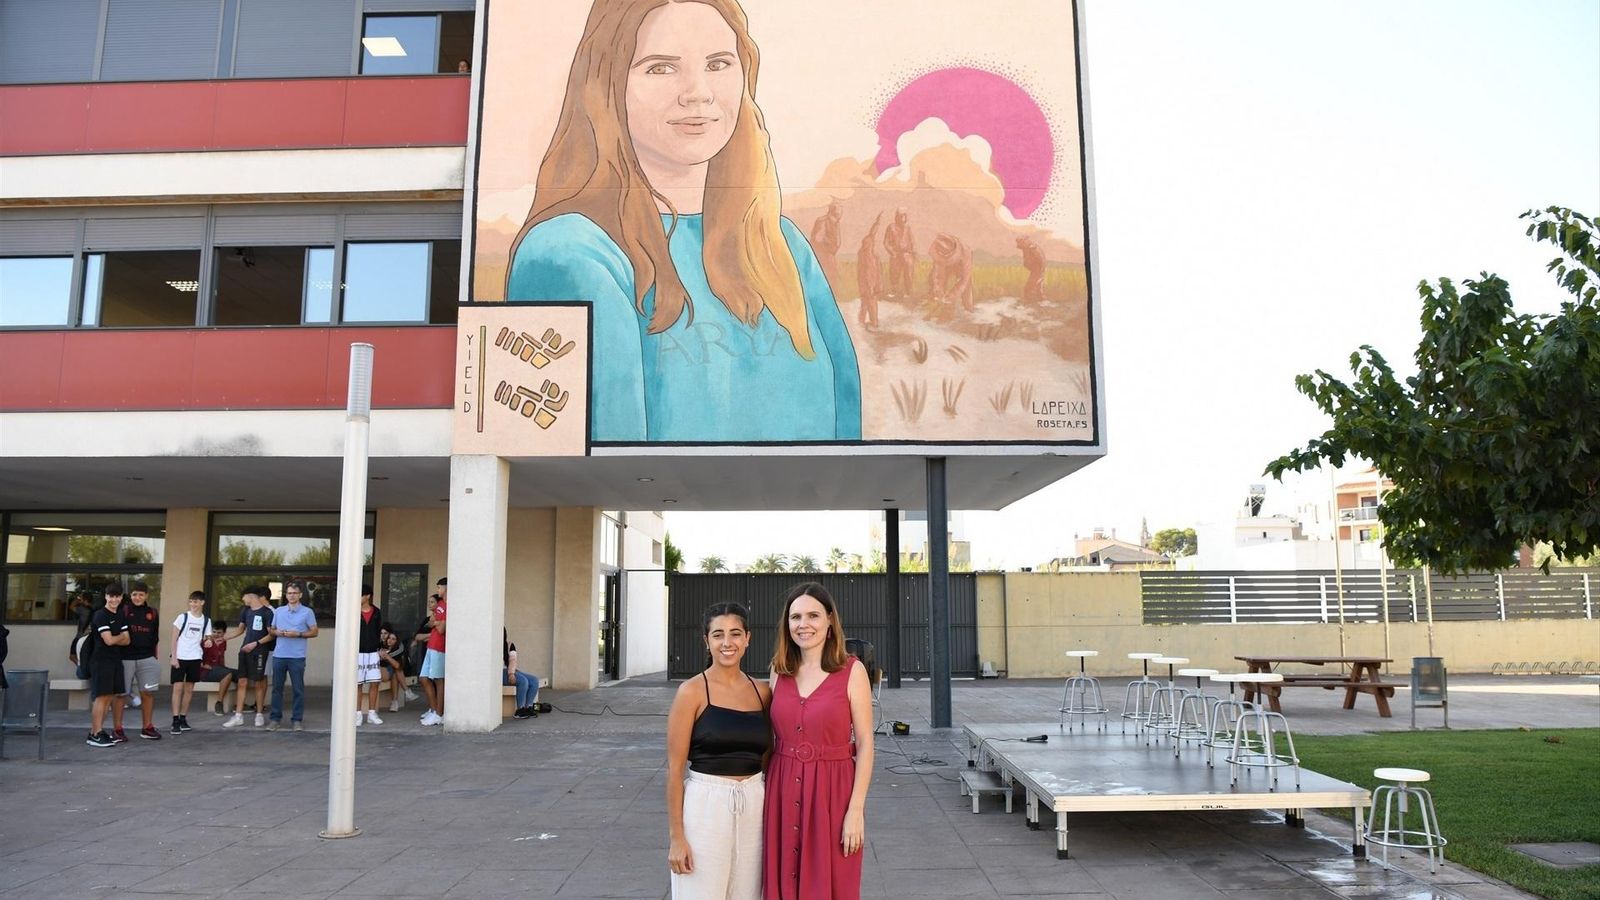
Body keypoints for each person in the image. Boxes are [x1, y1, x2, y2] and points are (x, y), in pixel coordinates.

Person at [505, 0, 861, 443]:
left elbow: (848, 423)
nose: (698, 92)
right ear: (608, 84)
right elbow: (607, 465)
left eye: (718, 63)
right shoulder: (568, 253)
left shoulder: (781, 241)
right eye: (660, 68)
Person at [763, 582, 874, 900]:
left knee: (835, 881)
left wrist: (856, 810)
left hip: (832, 794)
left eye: (813, 615)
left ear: (829, 621)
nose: (803, 624)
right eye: (795, 617)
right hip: (782, 789)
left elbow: (866, 743)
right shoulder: (778, 670)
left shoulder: (852, 672)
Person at [666, 602, 770, 899]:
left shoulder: (763, 692)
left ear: (748, 638)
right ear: (706, 641)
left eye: (736, 634)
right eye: (718, 634)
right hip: (705, 806)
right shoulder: (692, 691)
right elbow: (674, 770)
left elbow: (768, 755)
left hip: (754, 804)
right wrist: (677, 838)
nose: (727, 643)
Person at [267, 581, 318, 732]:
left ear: (300, 595)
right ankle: (275, 719)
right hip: (279, 655)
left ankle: (297, 720)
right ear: (286, 595)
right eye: (289, 593)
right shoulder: (279, 611)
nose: (292, 596)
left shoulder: (307, 612)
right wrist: (278, 633)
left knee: (298, 689)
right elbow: (271, 630)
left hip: (297, 656)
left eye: (295, 593)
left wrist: (299, 634)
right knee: (277, 688)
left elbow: (315, 631)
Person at [84, 583, 130, 747]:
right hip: (101, 661)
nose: (114, 599)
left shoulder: (120, 615)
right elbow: (109, 640)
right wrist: (119, 638)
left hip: (115, 660)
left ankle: (99, 731)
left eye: (117, 596)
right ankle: (94, 733)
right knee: (101, 697)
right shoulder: (100, 615)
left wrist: (116, 638)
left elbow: (128, 639)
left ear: (121, 597)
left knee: (109, 696)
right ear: (106, 596)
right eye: (111, 596)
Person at [222, 587, 274, 728]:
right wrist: (224, 637)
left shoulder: (267, 612)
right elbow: (240, 629)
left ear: (251, 596)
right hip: (245, 650)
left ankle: (259, 714)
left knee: (258, 682)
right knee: (242, 682)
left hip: (260, 651)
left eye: (244, 596)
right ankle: (238, 716)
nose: (243, 599)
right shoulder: (246, 611)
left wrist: (255, 643)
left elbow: (271, 634)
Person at [120, 580, 163, 740]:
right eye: (134, 594)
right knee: (121, 695)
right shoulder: (123, 611)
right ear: (130, 596)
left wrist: (154, 657)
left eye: (141, 594)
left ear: (146, 596)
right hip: (125, 658)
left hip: (146, 658)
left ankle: (147, 727)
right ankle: (118, 729)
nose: (137, 597)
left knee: (147, 693)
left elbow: (155, 637)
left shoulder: (153, 612)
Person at [167, 591, 212, 735]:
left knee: (189, 689)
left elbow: (207, 637)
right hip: (180, 656)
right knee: (177, 688)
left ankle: (183, 717)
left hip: (195, 657)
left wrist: (209, 641)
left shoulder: (206, 620)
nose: (193, 604)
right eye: (191, 601)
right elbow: (174, 638)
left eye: (196, 601)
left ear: (202, 603)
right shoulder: (183, 617)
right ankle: (175, 719)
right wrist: (173, 657)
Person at [419, 577, 447, 726]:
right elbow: (431, 623)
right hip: (431, 645)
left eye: (439, 588)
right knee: (423, 678)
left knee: (439, 680)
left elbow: (441, 629)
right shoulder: (440, 604)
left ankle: (438, 714)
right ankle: (433, 710)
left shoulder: (448, 605)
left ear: (446, 588)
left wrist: (436, 622)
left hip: (440, 647)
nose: (438, 590)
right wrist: (436, 622)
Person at [355, 584, 384, 726]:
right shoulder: (353, 611)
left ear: (367, 596)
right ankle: (357, 714)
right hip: (358, 651)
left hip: (373, 651)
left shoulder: (377, 612)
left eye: (361, 594)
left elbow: (379, 631)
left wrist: (380, 647)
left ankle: (372, 713)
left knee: (374, 682)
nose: (358, 597)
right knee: (357, 683)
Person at [378, 624, 417, 713]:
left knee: (396, 671)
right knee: (395, 675)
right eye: (381, 633)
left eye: (386, 633)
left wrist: (386, 656)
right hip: (387, 671)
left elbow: (398, 666)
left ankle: (396, 701)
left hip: (399, 669)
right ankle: (405, 694)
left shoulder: (399, 648)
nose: (384, 636)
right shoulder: (379, 644)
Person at [200, 622, 237, 715]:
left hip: (218, 669)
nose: (216, 634)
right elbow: (196, 659)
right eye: (214, 632)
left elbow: (222, 657)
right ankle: (219, 703)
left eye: (219, 632)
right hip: (205, 672)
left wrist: (223, 668)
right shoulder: (205, 642)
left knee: (242, 675)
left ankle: (238, 704)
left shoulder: (223, 642)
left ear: (224, 633)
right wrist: (205, 665)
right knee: (227, 674)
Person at [504, 629, 541, 719]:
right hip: (498, 673)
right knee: (523, 681)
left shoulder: (509, 645)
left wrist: (511, 673)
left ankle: (528, 707)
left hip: (509, 671)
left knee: (534, 680)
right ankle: (520, 710)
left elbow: (513, 660)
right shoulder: (492, 645)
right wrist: (511, 674)